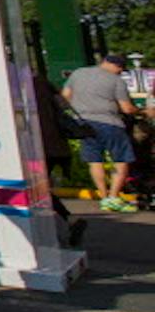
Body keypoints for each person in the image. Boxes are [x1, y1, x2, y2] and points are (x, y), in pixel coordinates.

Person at [63, 53, 142, 213]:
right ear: (117, 66)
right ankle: (113, 197)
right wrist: (142, 111)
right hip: (110, 124)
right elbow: (126, 108)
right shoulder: (116, 81)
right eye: (120, 69)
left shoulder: (78, 73)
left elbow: (65, 97)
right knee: (121, 160)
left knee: (95, 161)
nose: (120, 72)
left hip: (83, 123)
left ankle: (104, 197)